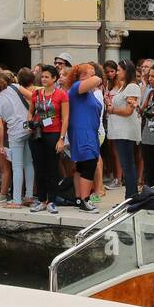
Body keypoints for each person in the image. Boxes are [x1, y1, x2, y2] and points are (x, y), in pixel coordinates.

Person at [0, 70, 34, 209]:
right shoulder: (15, 87)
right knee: (28, 163)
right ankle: (29, 196)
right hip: (28, 127)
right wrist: (29, 114)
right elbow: (33, 97)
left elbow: (0, 127)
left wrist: (1, 144)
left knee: (17, 167)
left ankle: (16, 200)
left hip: (15, 132)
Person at [29, 65, 67, 214]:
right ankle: (41, 199)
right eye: (42, 76)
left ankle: (52, 200)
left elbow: (65, 117)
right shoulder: (36, 94)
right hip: (37, 134)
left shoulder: (61, 95)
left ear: (54, 79)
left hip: (54, 133)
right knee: (39, 168)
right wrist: (29, 124)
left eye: (47, 77)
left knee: (52, 168)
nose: (43, 79)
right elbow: (30, 112)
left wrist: (62, 139)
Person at [66, 63, 104, 212]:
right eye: (91, 73)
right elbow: (96, 80)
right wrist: (97, 77)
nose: (94, 76)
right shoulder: (77, 87)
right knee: (89, 164)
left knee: (81, 166)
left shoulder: (89, 93)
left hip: (90, 132)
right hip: (82, 133)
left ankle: (78, 198)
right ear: (82, 76)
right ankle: (85, 200)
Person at [105, 59, 141, 202]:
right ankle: (130, 196)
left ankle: (131, 197)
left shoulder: (132, 86)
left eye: (119, 70)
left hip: (126, 131)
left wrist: (112, 109)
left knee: (128, 165)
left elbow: (128, 111)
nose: (117, 72)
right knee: (126, 164)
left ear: (126, 71)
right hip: (119, 130)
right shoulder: (122, 87)